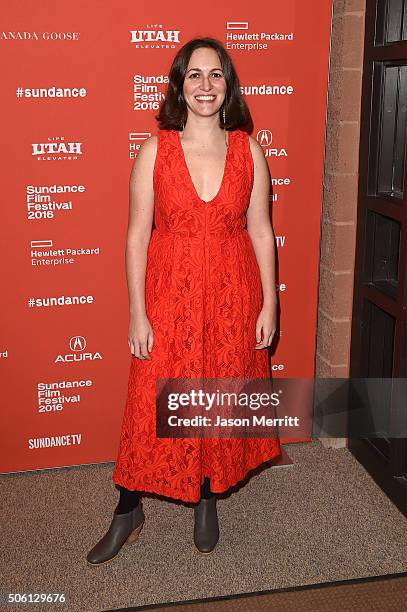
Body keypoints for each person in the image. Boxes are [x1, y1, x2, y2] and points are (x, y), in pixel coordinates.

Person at [87, 37, 281, 565]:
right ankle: (128, 508)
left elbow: (262, 232)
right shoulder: (155, 149)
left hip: (231, 295)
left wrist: (269, 305)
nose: (205, 85)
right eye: (194, 75)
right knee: (152, 400)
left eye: (215, 75)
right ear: (179, 85)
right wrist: (136, 311)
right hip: (169, 295)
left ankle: (206, 495)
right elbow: (135, 236)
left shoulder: (248, 150)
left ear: (228, 85)